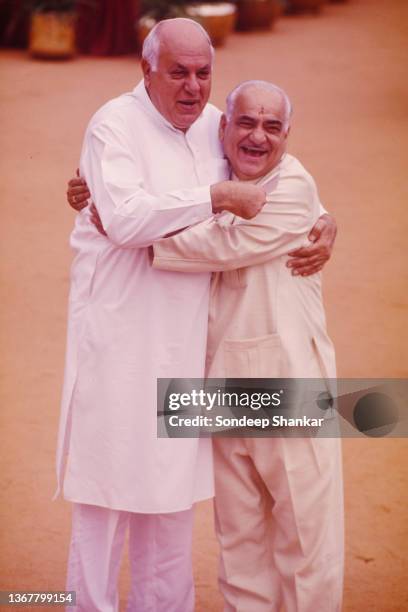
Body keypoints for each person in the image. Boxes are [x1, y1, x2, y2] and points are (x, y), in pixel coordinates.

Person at [62, 19, 337, 612]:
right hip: (121, 337)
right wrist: (210, 198)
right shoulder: (115, 123)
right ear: (146, 70)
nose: (192, 87)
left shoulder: (214, 122)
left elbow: (272, 164)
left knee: (172, 498)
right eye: (178, 72)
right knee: (107, 493)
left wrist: (324, 216)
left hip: (198, 351)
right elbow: (128, 218)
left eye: (203, 73)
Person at [151, 81, 344, 612]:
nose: (258, 136)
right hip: (218, 385)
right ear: (223, 128)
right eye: (246, 123)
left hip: (289, 383)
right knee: (238, 543)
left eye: (273, 126)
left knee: (306, 541)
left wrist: (127, 225)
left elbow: (216, 245)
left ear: (288, 135)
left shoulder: (296, 188)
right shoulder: (213, 174)